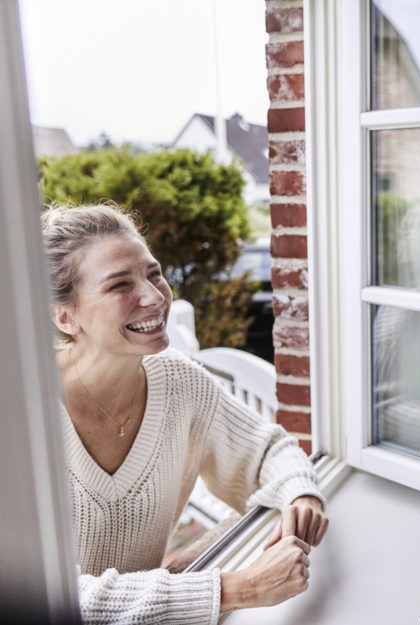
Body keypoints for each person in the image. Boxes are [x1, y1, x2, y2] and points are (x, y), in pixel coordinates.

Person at [41, 203, 329, 624]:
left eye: (153, 273)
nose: (155, 296)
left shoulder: (179, 381)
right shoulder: (21, 415)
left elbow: (267, 450)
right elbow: (48, 594)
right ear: (64, 316)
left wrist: (300, 494)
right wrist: (239, 588)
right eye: (120, 285)